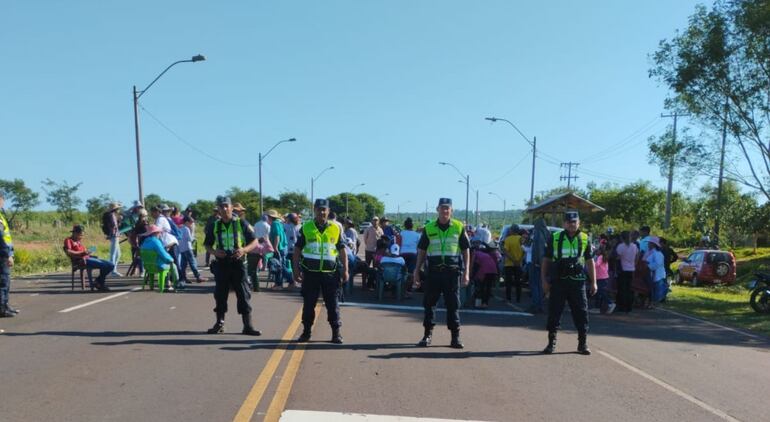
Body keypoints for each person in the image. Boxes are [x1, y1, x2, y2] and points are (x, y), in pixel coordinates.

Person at [413, 198, 471, 349]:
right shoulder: (429, 227)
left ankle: (455, 337)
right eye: (442, 208)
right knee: (429, 304)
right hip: (433, 272)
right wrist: (416, 271)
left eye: (448, 208)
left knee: (453, 305)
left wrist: (466, 272)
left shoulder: (459, 227)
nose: (445, 211)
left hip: (452, 273)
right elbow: (422, 251)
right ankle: (427, 335)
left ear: (451, 210)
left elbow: (466, 250)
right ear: (437, 209)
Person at [292, 198, 349, 344]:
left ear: (328, 211)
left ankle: (336, 333)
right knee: (309, 304)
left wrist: (346, 270)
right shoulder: (306, 227)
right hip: (310, 273)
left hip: (331, 273)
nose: (321, 212)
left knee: (332, 304)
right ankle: (306, 332)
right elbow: (297, 250)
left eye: (324, 209)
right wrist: (296, 270)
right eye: (319, 209)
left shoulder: (336, 228)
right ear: (314, 210)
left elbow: (342, 251)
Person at [204, 196, 261, 336]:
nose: (224, 209)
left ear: (231, 207)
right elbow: (207, 244)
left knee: (243, 294)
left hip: (239, 264)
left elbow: (255, 241)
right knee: (220, 294)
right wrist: (215, 252)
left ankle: (247, 325)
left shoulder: (242, 223)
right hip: (222, 264)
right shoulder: (214, 225)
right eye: (221, 206)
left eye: (226, 206)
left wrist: (244, 250)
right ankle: (219, 324)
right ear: (218, 209)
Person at [541, 211, 596, 355]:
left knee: (582, 313)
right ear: (564, 223)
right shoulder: (555, 238)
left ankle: (582, 344)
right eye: (569, 222)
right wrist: (544, 280)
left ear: (579, 223)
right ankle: (551, 343)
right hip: (559, 281)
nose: (572, 224)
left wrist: (594, 282)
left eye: (574, 222)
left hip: (577, 282)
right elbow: (546, 260)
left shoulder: (584, 238)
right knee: (554, 312)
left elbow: (590, 262)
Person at [64, 225, 114, 291]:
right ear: (75, 233)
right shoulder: (68, 240)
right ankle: (100, 284)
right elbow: (69, 252)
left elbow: (83, 250)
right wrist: (82, 253)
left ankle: (98, 281)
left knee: (111, 265)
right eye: (80, 235)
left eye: (82, 235)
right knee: (104, 265)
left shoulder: (78, 241)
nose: (81, 237)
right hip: (81, 260)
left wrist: (88, 251)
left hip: (88, 257)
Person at [0, 191, 17, 317]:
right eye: (2, 198)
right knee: (3, 281)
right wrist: (8, 254)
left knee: (5, 281)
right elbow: (1, 237)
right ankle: (2, 308)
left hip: (4, 252)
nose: (3, 201)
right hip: (2, 254)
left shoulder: (1, 215)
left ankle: (5, 305)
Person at [614, 231, 638, 313]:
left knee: (621, 288)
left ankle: (621, 306)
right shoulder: (634, 246)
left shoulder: (621, 246)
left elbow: (617, 257)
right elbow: (637, 255)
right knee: (629, 288)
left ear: (622, 238)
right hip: (631, 269)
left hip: (623, 269)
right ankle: (629, 306)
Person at [178, 216, 206, 284]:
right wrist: (194, 238)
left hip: (181, 249)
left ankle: (184, 278)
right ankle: (198, 277)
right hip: (188, 248)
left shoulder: (180, 228)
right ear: (187, 222)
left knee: (183, 265)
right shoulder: (186, 229)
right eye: (191, 223)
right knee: (192, 262)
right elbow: (189, 239)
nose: (192, 224)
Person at [470, 241, 499, 308]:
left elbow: (472, 265)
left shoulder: (475, 253)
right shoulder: (485, 254)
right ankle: (485, 303)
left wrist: (470, 274)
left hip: (485, 271)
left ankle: (481, 303)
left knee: (482, 287)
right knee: (488, 287)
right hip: (493, 270)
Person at [266, 209, 289, 289]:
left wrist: (275, 247)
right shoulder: (278, 223)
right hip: (282, 247)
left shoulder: (275, 224)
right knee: (279, 266)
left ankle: (284, 282)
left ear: (270, 217)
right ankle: (279, 283)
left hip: (279, 248)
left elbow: (277, 236)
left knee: (279, 266)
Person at [591, 241, 615, 314]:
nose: (596, 251)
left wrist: (591, 261)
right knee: (598, 292)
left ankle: (610, 303)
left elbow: (596, 265)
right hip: (601, 277)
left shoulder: (600, 257)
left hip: (601, 277)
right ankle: (597, 307)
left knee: (601, 292)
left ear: (600, 251)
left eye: (597, 250)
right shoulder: (603, 257)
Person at [502, 226, 525, 303]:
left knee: (508, 282)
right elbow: (525, 251)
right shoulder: (521, 239)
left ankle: (508, 298)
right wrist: (519, 260)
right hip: (519, 264)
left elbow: (505, 251)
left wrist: (513, 260)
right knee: (518, 282)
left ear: (512, 231)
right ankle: (518, 298)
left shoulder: (508, 239)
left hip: (509, 264)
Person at [399, 217, 420, 294]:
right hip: (413, 254)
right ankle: (408, 289)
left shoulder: (401, 233)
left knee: (402, 272)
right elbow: (418, 247)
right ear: (412, 226)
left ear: (405, 225)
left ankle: (401, 288)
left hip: (402, 254)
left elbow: (398, 244)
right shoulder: (417, 235)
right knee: (411, 273)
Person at [645, 237, 667, 308]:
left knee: (657, 290)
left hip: (657, 274)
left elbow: (657, 263)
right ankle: (651, 302)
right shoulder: (649, 252)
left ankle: (654, 303)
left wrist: (648, 266)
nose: (648, 244)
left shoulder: (657, 253)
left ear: (653, 244)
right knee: (652, 289)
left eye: (649, 243)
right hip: (651, 274)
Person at [363, 216, 384, 288]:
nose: (375, 221)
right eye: (374, 220)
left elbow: (382, 240)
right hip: (369, 250)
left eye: (376, 220)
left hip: (377, 252)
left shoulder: (381, 230)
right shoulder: (368, 229)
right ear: (372, 221)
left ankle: (373, 284)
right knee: (366, 267)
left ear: (378, 221)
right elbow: (365, 239)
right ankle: (364, 284)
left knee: (376, 268)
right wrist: (369, 245)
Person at [103, 202, 123, 277]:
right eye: (118, 208)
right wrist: (120, 220)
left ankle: (113, 269)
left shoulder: (111, 215)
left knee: (118, 254)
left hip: (113, 235)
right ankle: (112, 270)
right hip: (114, 236)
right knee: (113, 254)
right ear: (115, 209)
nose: (119, 210)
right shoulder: (112, 215)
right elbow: (114, 226)